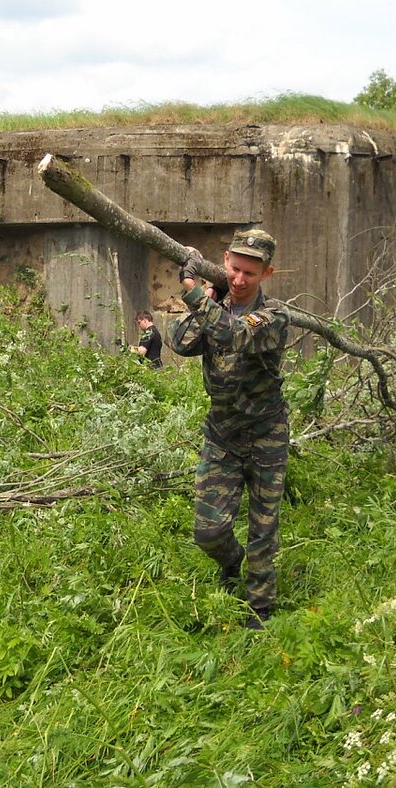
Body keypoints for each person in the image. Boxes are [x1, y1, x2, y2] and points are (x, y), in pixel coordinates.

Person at [166, 229, 290, 630]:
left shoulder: (273, 316)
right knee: (209, 532)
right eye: (234, 269)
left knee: (263, 527)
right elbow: (179, 342)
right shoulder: (214, 306)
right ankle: (233, 563)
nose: (239, 280)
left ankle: (259, 612)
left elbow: (234, 334)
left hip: (265, 435)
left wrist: (193, 291)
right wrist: (208, 296)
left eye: (249, 274)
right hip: (222, 435)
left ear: (266, 274)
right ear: (224, 262)